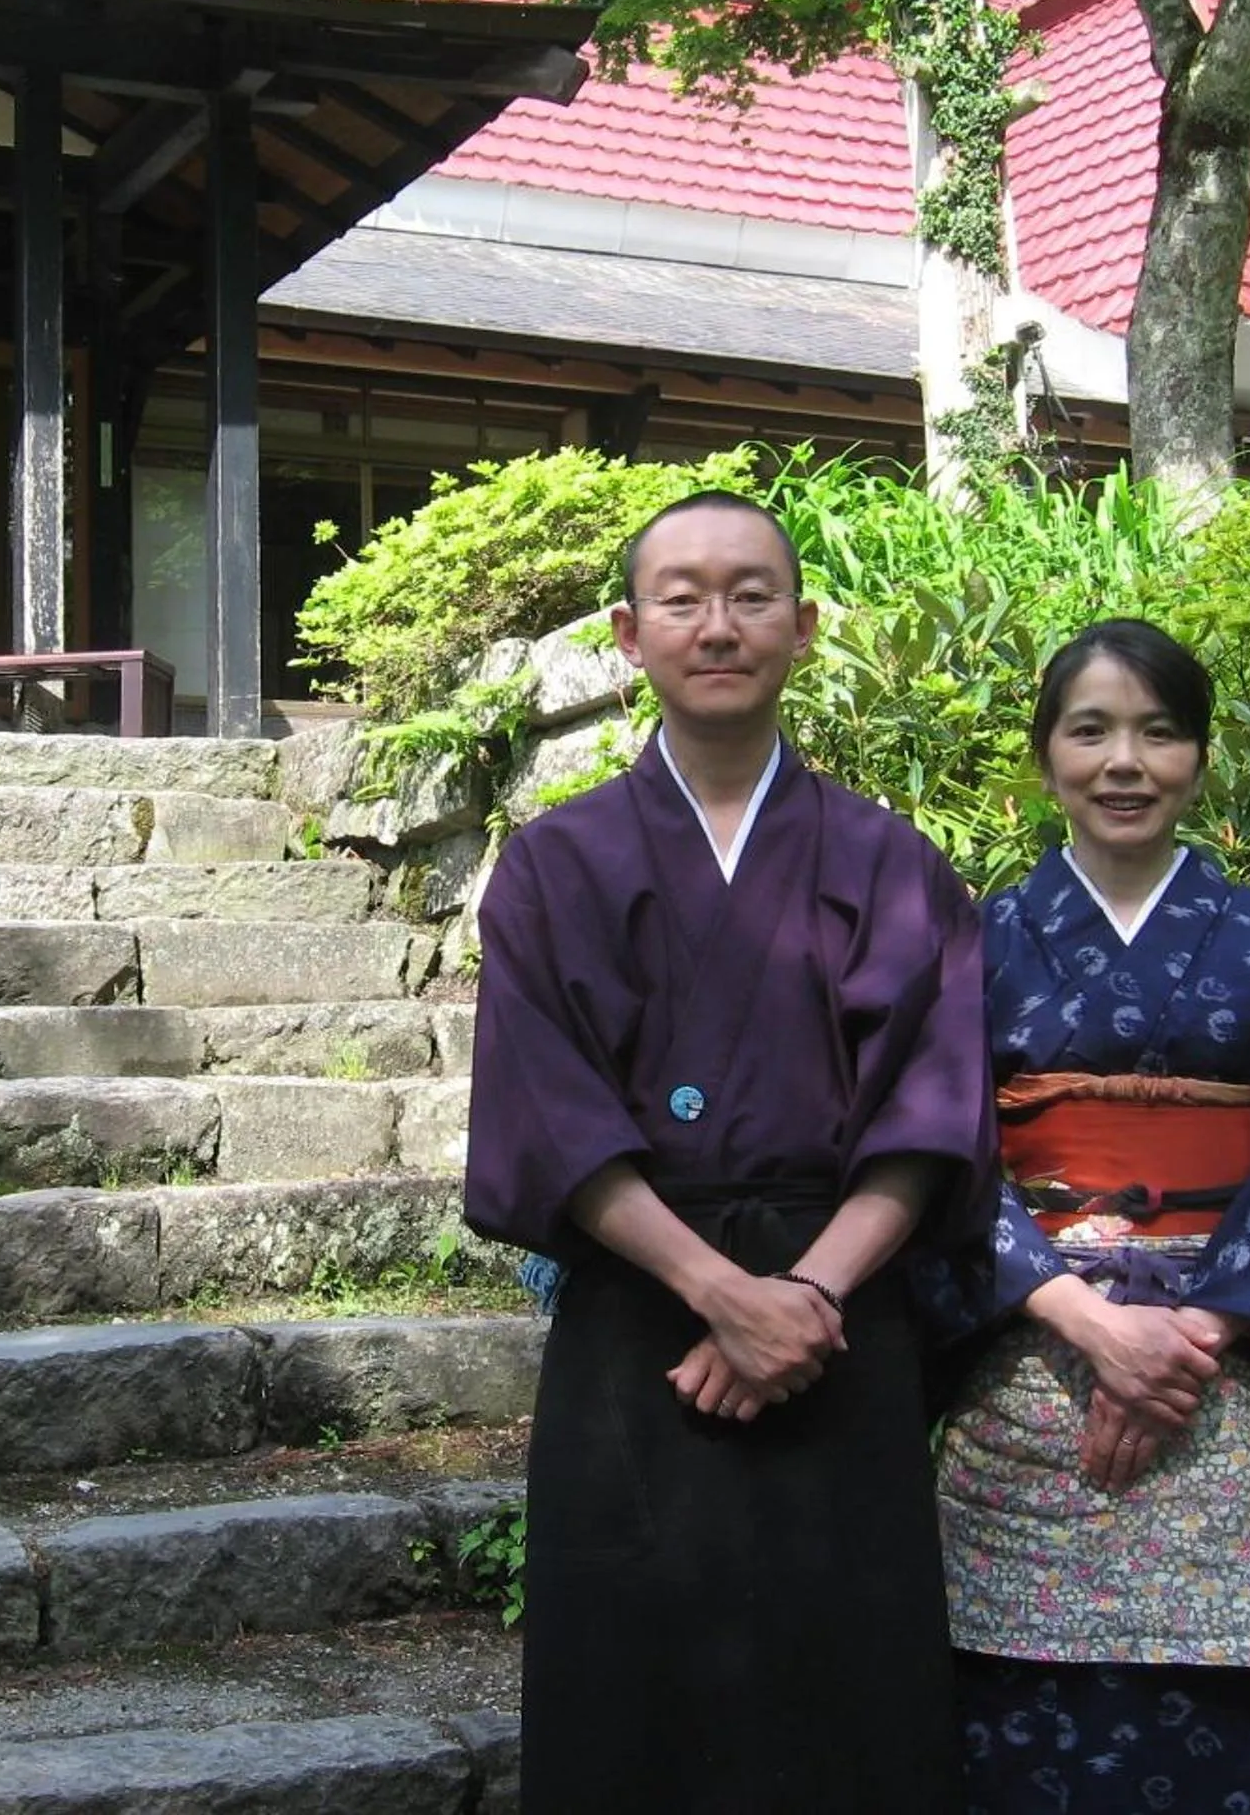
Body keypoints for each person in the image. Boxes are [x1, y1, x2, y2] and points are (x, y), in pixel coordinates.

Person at [465, 489, 997, 1813]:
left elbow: (932, 1111)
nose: (719, 625)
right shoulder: (553, 864)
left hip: (839, 1322)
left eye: (752, 596)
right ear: (627, 632)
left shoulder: (892, 862)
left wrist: (803, 1297)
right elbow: (546, 1108)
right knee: (631, 1703)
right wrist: (722, 1293)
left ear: (804, 627)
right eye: (684, 598)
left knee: (847, 1704)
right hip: (639, 1316)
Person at [928, 618, 1250, 1814]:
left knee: (1229, 1707)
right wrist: (1085, 1321)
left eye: (1158, 731)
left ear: (1200, 757)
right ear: (1044, 756)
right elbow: (936, 1148)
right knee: (1014, 1724)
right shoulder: (979, 943)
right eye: (1089, 731)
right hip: (1027, 1357)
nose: (1123, 762)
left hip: (1222, 1373)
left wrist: (1195, 1336)